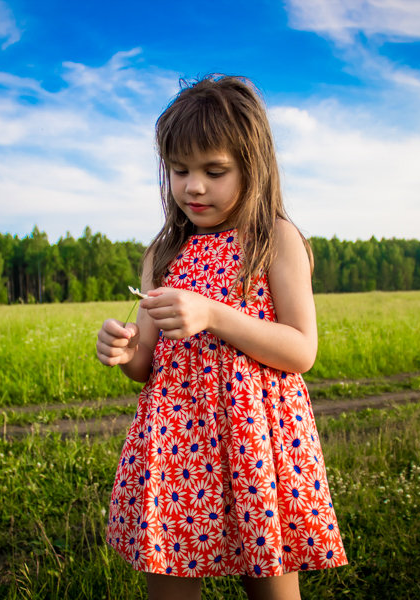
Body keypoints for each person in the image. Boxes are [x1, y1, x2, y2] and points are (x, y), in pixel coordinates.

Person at [95, 75, 348, 600]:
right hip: (175, 444)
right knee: (168, 579)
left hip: (254, 440)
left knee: (271, 587)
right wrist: (125, 351)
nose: (193, 187)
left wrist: (213, 313)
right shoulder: (162, 254)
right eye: (179, 171)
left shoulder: (272, 239)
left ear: (251, 168)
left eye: (214, 171)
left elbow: (302, 349)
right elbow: (146, 364)